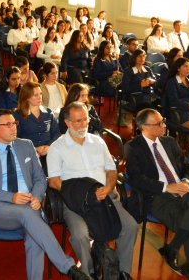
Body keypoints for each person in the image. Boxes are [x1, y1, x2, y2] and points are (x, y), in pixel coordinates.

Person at [0, 109, 90, 280]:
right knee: (30, 214)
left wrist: (36, 196)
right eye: (8, 124)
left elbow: (40, 178)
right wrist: (11, 197)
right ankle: (67, 266)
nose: (14, 128)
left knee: (35, 238)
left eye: (15, 123)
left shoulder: (26, 145)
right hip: (1, 208)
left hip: (30, 204)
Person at [48, 102, 137, 279]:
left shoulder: (98, 142)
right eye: (78, 121)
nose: (83, 125)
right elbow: (54, 182)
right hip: (76, 202)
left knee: (130, 227)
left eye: (86, 121)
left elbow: (111, 170)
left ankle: (122, 272)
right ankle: (90, 272)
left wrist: (109, 187)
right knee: (80, 235)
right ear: (67, 122)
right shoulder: (57, 147)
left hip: (105, 196)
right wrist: (86, 193)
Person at [124, 108, 189, 280]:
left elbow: (187, 167)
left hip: (182, 188)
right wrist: (166, 187)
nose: (164, 125)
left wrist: (185, 182)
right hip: (157, 196)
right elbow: (136, 179)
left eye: (162, 121)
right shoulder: (133, 147)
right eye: (158, 124)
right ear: (144, 127)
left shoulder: (169, 142)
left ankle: (172, 247)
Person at [14, 82, 60, 174]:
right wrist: (35, 149)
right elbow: (15, 138)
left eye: (41, 94)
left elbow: (56, 133)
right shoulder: (17, 115)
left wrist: (48, 146)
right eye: (36, 95)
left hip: (49, 153)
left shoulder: (48, 112)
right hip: (28, 155)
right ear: (27, 97)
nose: (40, 97)